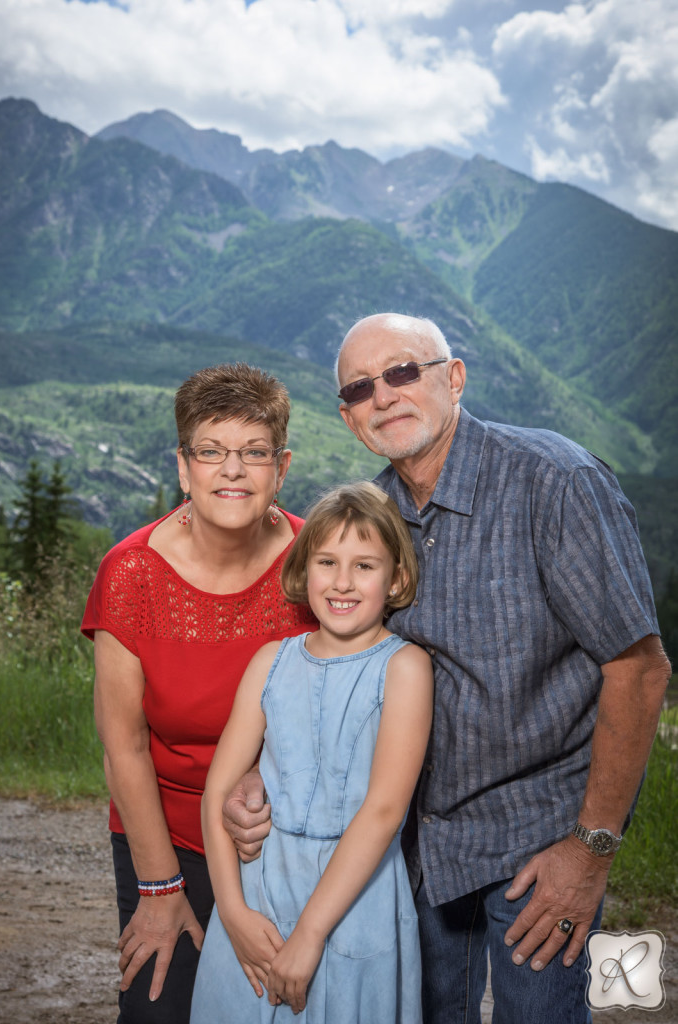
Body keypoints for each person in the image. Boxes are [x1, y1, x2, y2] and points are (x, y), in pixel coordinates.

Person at [224, 315, 671, 1024]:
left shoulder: (554, 482)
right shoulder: (371, 522)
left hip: (538, 839)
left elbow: (639, 670)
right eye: (362, 387)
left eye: (404, 371)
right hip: (413, 848)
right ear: (347, 417)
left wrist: (589, 850)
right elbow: (328, 668)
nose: (385, 395)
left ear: (453, 378)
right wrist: (259, 769)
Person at [81, 363, 316, 1024]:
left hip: (279, 837)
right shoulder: (130, 575)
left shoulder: (316, 568)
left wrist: (264, 793)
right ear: (184, 467)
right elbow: (123, 747)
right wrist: (159, 889)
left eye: (254, 452)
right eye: (211, 451)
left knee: (279, 1007)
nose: (232, 470)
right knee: (158, 1008)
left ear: (282, 467)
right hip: (167, 836)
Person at [190, 482, 434, 1022]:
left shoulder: (405, 668)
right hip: (259, 895)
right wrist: (230, 911)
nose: (342, 582)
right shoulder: (270, 662)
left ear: (396, 578)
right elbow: (217, 793)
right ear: (305, 570)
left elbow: (384, 810)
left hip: (353, 902)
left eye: (365, 566)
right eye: (327, 561)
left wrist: (311, 933)